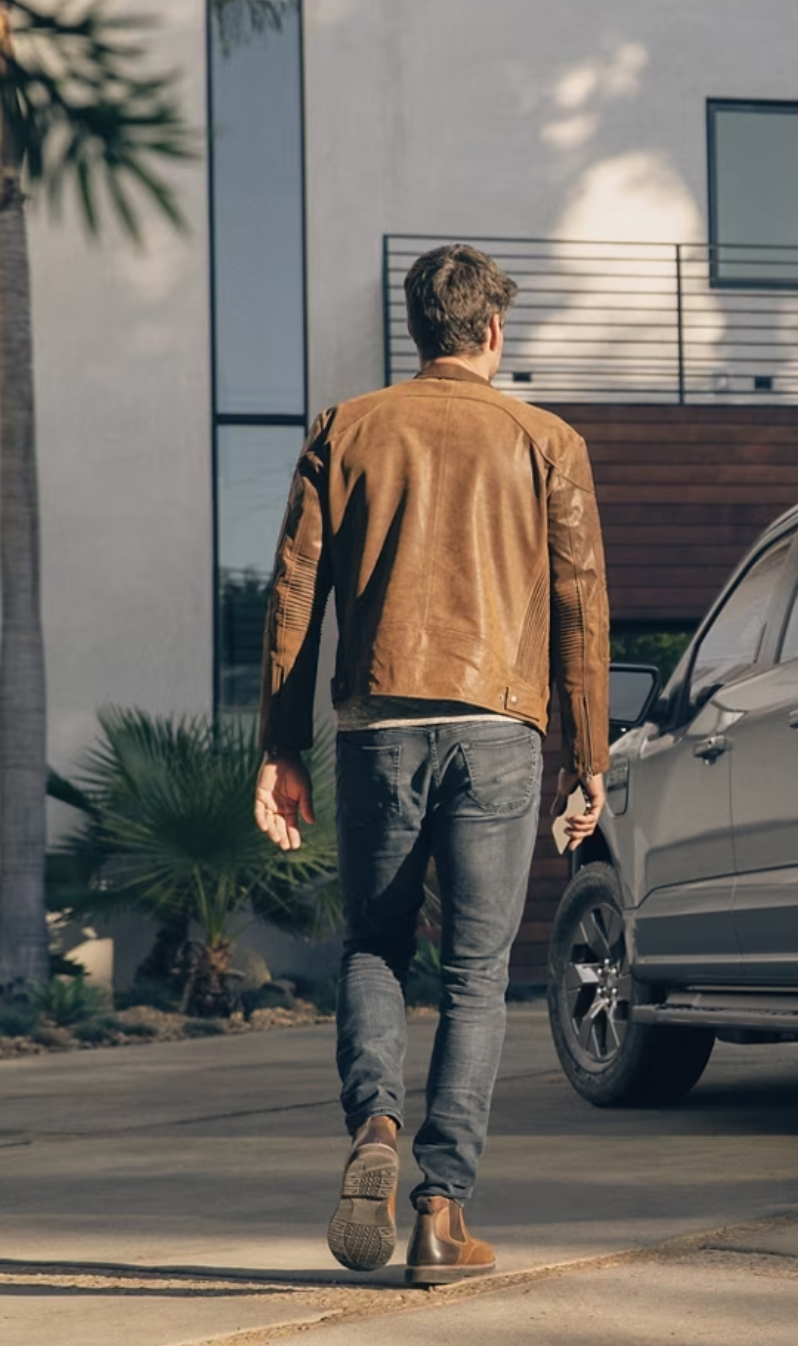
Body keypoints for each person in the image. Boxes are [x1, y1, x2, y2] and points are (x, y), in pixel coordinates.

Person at [252, 243, 611, 1284]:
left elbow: (292, 592)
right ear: (493, 330)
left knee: (373, 944)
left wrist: (279, 745)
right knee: (476, 971)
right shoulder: (548, 440)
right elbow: (582, 606)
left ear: (419, 331)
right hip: (499, 725)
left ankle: (374, 1125)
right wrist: (587, 754)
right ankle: (442, 1210)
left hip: (375, 725)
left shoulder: (348, 427)